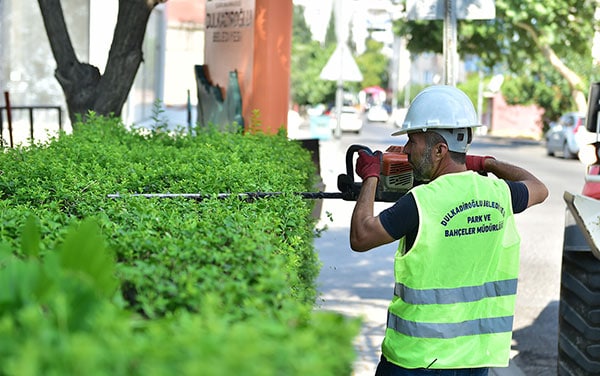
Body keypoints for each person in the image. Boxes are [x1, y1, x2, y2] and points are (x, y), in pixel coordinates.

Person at [350, 85, 548, 376]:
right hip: (473, 360)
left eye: (412, 142)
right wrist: (486, 163)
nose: (406, 150)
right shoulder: (498, 193)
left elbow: (361, 237)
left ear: (440, 149)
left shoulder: (421, 202)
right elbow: (540, 189)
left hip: (416, 361)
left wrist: (370, 177)